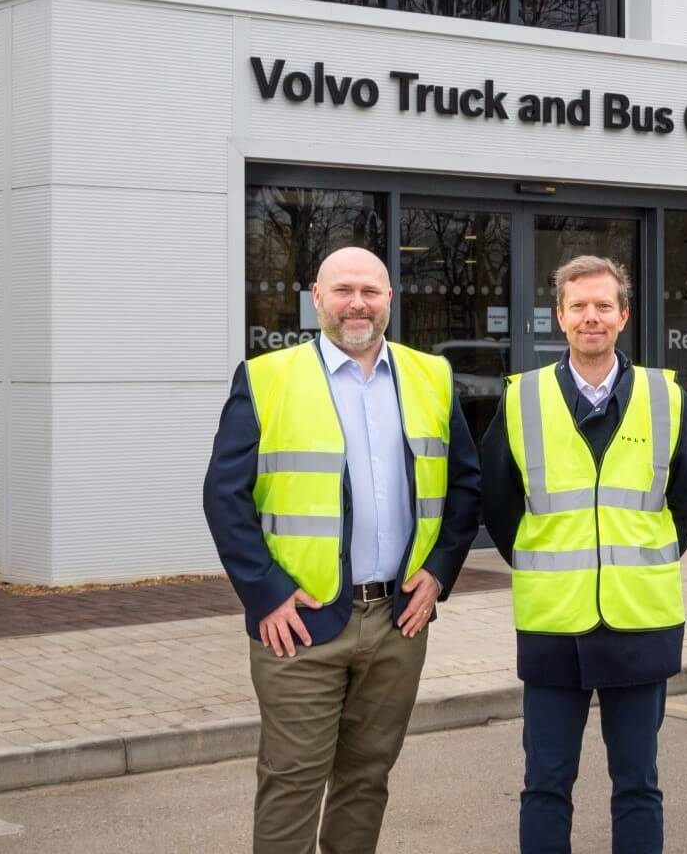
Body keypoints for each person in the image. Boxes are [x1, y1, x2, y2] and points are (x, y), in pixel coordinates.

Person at [202, 246, 482, 854]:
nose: (358, 303)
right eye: (343, 290)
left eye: (371, 291)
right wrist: (266, 595)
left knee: (366, 778)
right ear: (317, 298)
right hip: (298, 624)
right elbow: (225, 498)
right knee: (292, 779)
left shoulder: (430, 375)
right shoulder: (266, 377)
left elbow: (464, 485)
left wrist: (437, 574)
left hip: (397, 621)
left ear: (390, 299)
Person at [478, 255, 687, 854]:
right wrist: (546, 561)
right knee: (545, 785)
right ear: (560, 317)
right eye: (578, 306)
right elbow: (499, 505)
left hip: (640, 624)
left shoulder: (666, 397)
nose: (591, 317)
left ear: (624, 315)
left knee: (638, 785)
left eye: (604, 305)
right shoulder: (522, 399)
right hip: (554, 626)